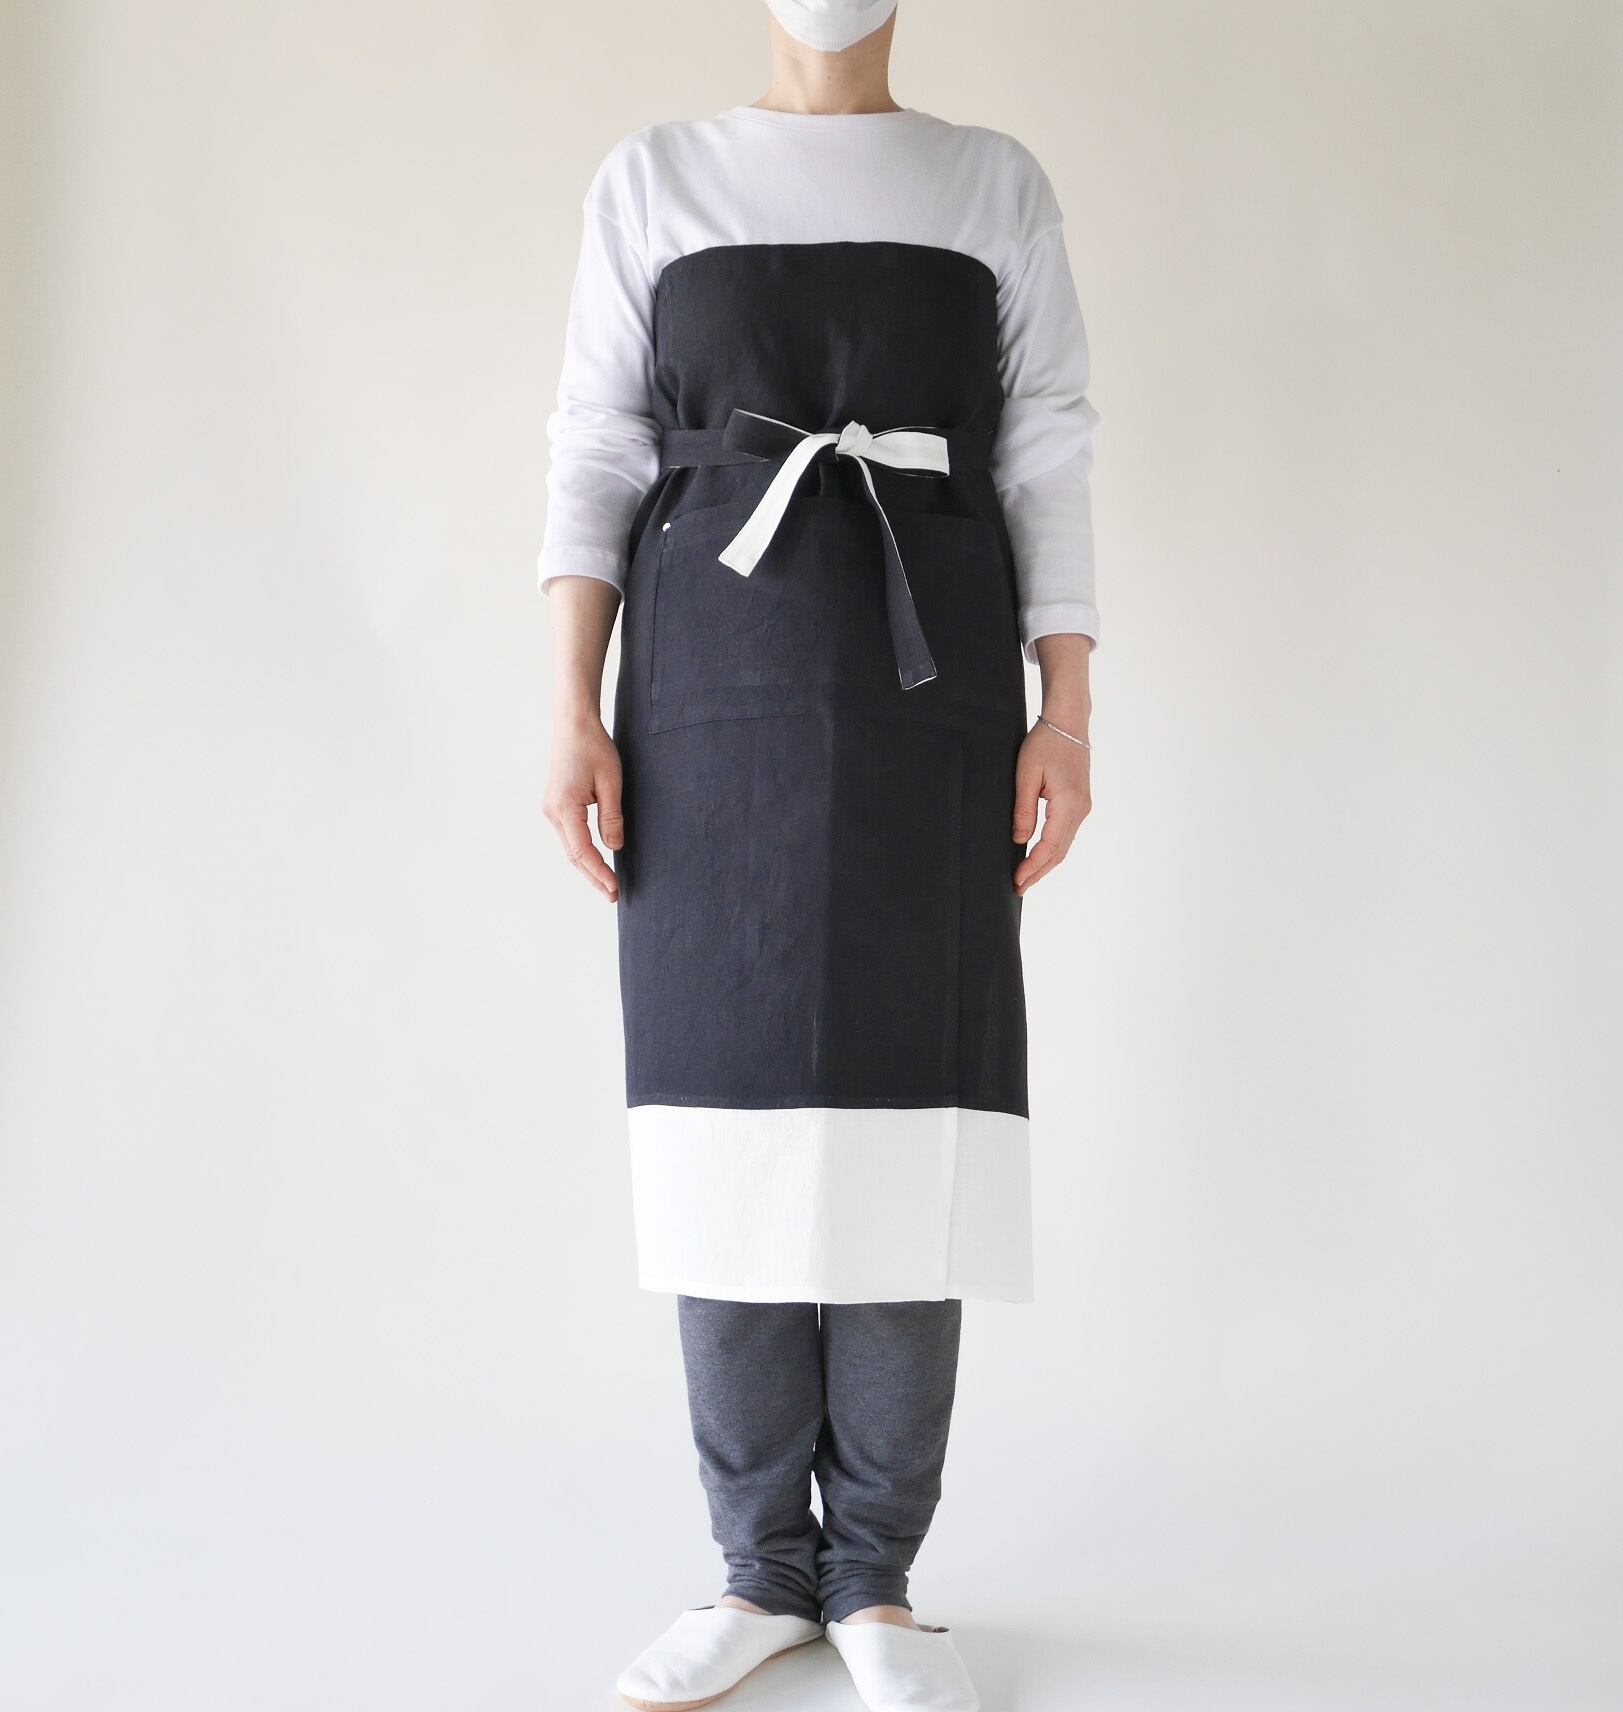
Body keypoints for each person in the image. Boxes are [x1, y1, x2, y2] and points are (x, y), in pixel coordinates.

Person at [536, 2, 1098, 1707]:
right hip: (704, 704)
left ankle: (877, 1583)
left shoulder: (992, 185)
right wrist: (569, 707)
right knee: (724, 1120)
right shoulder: (655, 179)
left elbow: (1046, 447)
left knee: (911, 1120)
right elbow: (597, 447)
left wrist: (1066, 712)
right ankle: (756, 1572)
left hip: (935, 699)